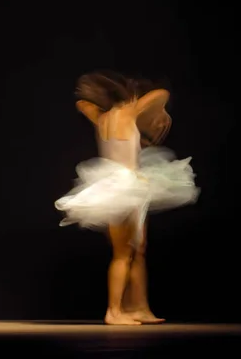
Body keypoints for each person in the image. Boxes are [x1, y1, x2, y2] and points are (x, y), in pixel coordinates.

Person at [55, 71, 199, 325]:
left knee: (138, 250)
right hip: (122, 185)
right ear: (130, 97)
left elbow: (82, 104)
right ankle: (114, 311)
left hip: (128, 184)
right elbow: (161, 94)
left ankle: (139, 307)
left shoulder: (102, 117)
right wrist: (157, 111)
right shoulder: (127, 113)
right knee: (123, 253)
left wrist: (104, 99)